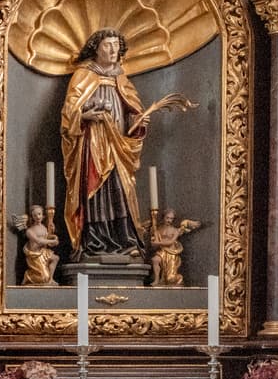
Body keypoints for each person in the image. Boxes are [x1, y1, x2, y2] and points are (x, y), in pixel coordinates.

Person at [59, 28, 192, 257]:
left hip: (118, 145)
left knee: (119, 190)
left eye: (116, 46)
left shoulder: (121, 77)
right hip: (93, 144)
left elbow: (132, 109)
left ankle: (124, 239)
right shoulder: (83, 75)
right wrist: (85, 116)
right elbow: (69, 112)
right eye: (107, 45)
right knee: (94, 190)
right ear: (96, 48)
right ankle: (93, 241)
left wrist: (139, 119)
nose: (113, 50)